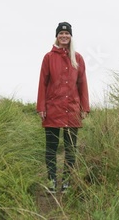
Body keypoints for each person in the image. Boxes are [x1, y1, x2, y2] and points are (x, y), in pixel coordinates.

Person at [36, 21, 90, 194]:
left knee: (70, 148)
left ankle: (67, 181)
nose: (64, 36)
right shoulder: (48, 57)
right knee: (51, 147)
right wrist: (41, 106)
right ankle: (52, 181)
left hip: (72, 110)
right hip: (52, 108)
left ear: (71, 36)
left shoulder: (78, 58)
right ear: (57, 36)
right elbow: (42, 83)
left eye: (67, 34)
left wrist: (84, 107)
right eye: (61, 34)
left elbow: (82, 84)